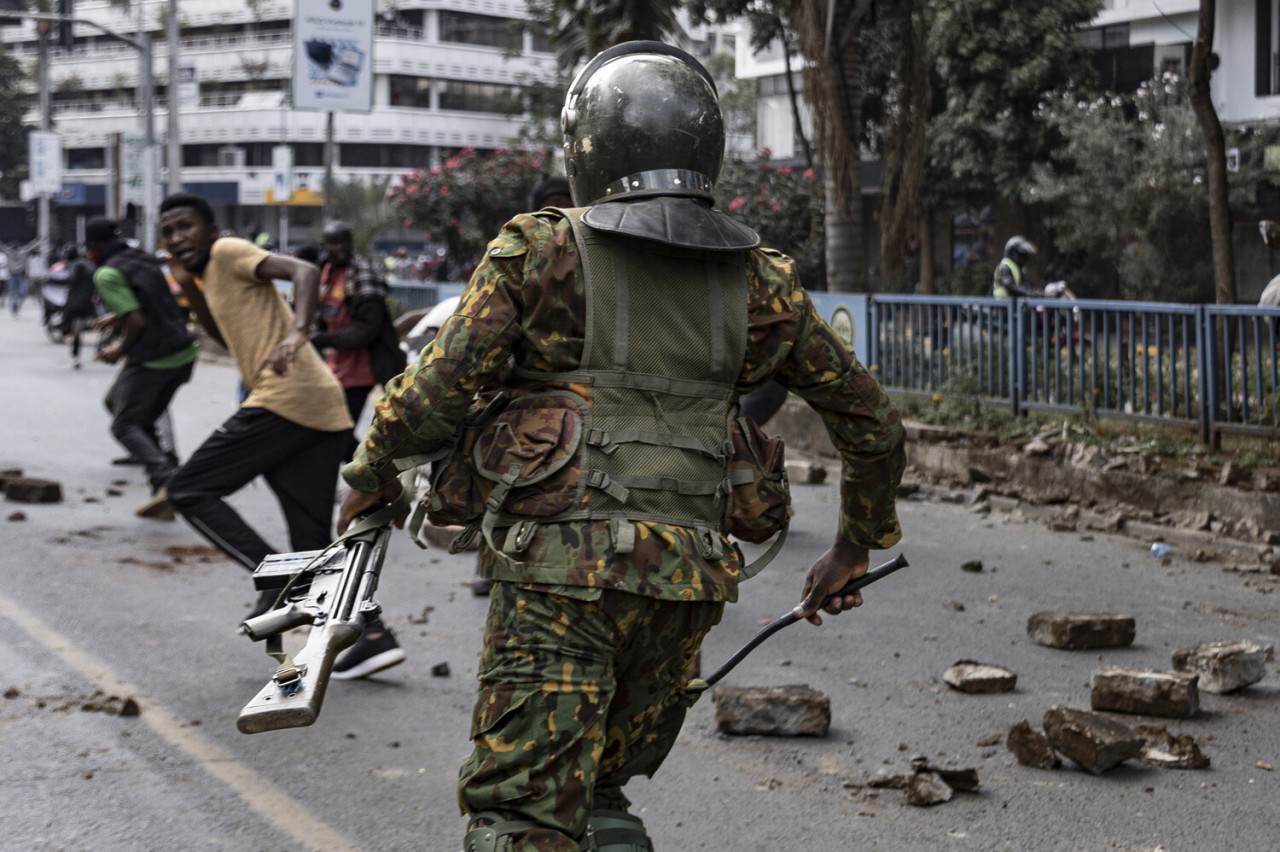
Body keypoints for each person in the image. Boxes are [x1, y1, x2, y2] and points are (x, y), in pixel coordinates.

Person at [336, 41, 905, 851]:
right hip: (686, 585)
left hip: (560, 577)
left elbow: (436, 391)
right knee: (599, 797)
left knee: (521, 815)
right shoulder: (761, 280)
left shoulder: (543, 251)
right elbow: (873, 425)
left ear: (587, 152)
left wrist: (369, 474)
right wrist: (853, 547)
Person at [157, 193, 405, 678]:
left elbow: (304, 273)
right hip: (319, 407)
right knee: (311, 539)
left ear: (211, 229)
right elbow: (219, 333)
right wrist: (189, 287)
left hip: (285, 398)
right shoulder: (210, 273)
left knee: (188, 488)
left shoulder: (229, 251)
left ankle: (278, 578)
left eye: (185, 226)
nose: (176, 238)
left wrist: (299, 331)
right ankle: (373, 637)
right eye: (167, 232)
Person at [86, 217, 198, 519]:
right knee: (120, 405)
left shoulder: (107, 273)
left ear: (93, 248)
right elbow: (150, 299)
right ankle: (166, 473)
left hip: (155, 357)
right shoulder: (142, 257)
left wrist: (118, 349)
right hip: (183, 351)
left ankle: (166, 477)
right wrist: (115, 316)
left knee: (124, 424)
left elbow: (137, 320)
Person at [312, 220, 407, 460]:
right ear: (324, 245)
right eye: (333, 243)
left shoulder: (362, 275)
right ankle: (371, 484)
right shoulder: (323, 272)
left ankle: (374, 484)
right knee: (329, 431)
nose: (340, 248)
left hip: (361, 369)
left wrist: (323, 339)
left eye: (344, 242)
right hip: (335, 365)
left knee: (338, 433)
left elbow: (367, 330)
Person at [56, 245, 99, 368]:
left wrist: (51, 279)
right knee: (86, 327)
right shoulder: (88, 264)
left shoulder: (76, 265)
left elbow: (70, 280)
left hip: (77, 302)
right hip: (89, 301)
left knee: (74, 329)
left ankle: (76, 356)